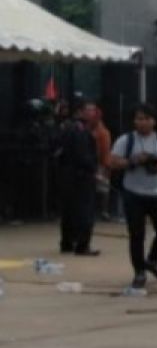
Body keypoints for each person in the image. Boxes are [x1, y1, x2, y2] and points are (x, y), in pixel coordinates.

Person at [109, 104, 157, 288]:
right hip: (133, 193)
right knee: (136, 234)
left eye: (146, 118)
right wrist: (134, 160)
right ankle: (139, 271)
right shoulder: (126, 140)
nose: (142, 122)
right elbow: (113, 162)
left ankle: (153, 260)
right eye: (139, 119)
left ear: (154, 121)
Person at [57, 99, 100, 256]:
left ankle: (67, 243)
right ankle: (82, 244)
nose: (93, 113)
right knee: (84, 211)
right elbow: (83, 155)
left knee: (69, 210)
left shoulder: (67, 127)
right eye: (89, 109)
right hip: (81, 176)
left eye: (94, 109)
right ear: (80, 111)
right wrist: (93, 169)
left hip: (67, 175)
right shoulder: (80, 130)